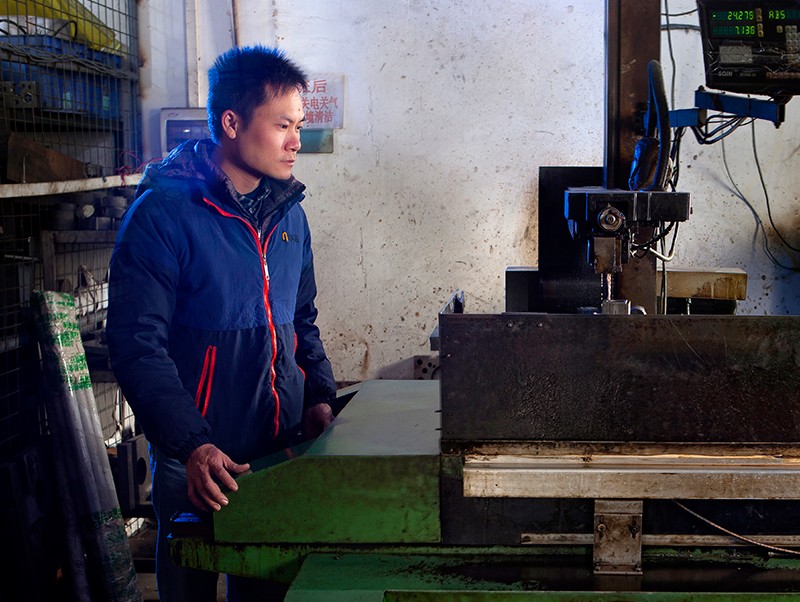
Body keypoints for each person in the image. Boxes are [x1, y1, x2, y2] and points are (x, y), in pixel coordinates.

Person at [106, 45, 337, 601]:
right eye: (282, 125)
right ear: (231, 123)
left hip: (274, 453)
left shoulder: (290, 214)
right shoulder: (164, 214)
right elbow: (137, 345)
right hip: (198, 461)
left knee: (265, 588)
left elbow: (301, 320)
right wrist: (192, 445)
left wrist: (318, 396)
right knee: (188, 584)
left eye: (299, 126)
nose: (295, 142)